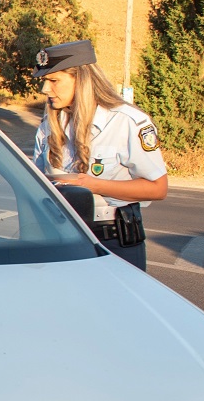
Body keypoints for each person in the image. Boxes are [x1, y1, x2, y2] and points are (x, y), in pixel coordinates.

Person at [32, 39, 167, 270]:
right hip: (60, 237)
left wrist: (92, 185)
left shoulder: (126, 122)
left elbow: (158, 188)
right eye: (44, 81)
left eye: (54, 80)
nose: (45, 89)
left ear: (82, 79)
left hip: (114, 241)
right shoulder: (49, 125)